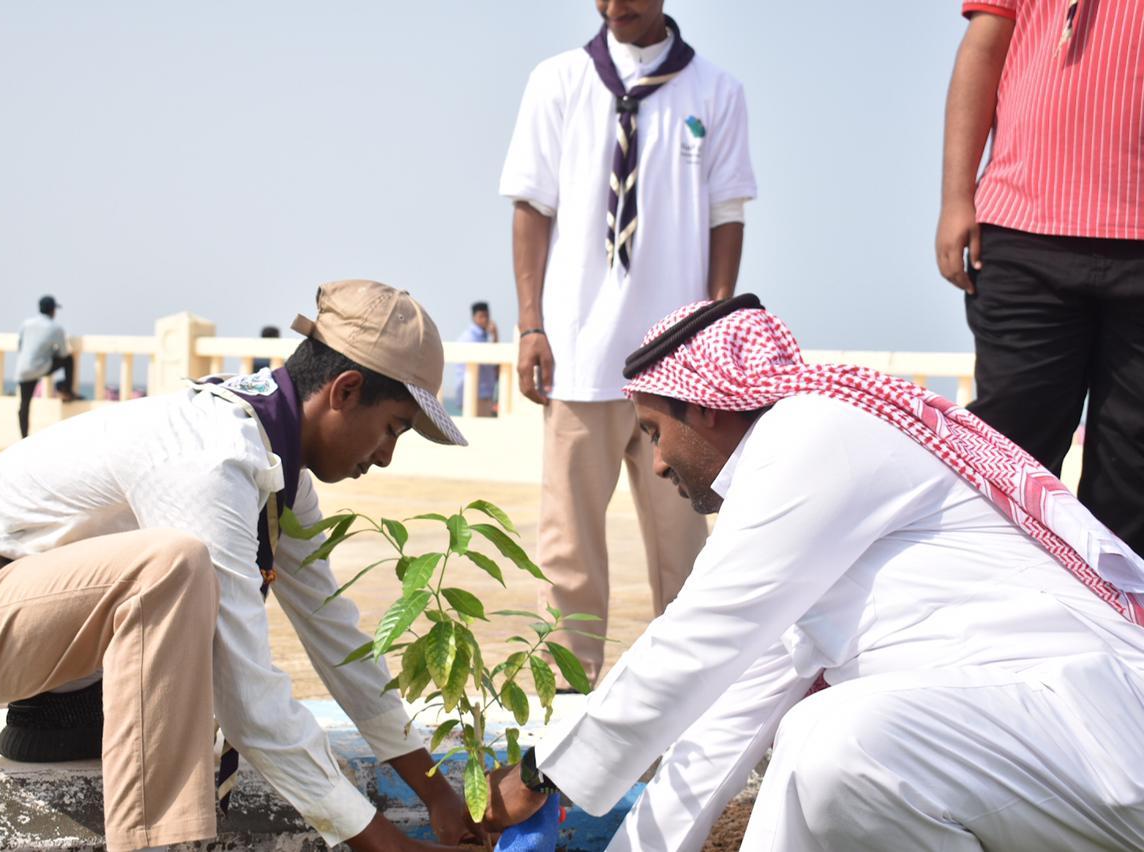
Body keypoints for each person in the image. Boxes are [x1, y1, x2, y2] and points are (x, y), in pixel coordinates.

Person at [484, 295, 1144, 851]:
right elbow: (722, 726)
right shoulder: (811, 503)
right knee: (812, 763)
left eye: (655, 432)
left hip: (1096, 733)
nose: (656, 464)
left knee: (832, 743)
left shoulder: (808, 438)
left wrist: (540, 773)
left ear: (708, 407)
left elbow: (688, 642)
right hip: (1037, 742)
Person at [0, 280, 484, 852]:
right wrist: (382, 841)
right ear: (346, 390)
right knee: (174, 569)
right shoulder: (213, 457)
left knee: (188, 608)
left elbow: (338, 636)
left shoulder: (277, 467)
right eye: (393, 429)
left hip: (39, 647)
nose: (385, 457)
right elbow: (247, 694)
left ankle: (60, 715)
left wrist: (437, 793)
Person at [498, 0, 756, 686]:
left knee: (685, 555)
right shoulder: (557, 82)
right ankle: (566, 705)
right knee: (568, 553)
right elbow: (532, 208)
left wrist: (713, 329)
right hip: (580, 357)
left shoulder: (715, 90)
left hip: (677, 371)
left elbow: (726, 215)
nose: (616, 7)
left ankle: (679, 700)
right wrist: (531, 324)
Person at [935, 2, 1144, 556]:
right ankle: (990, 622)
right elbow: (984, 50)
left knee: (1136, 466)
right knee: (1009, 451)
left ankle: (1119, 633)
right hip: (1025, 229)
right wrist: (957, 198)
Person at [15, 294, 80, 438]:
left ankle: (23, 437)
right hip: (41, 367)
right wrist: (51, 351)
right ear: (52, 311)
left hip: (23, 370)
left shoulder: (26, 323)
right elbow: (63, 353)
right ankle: (66, 390)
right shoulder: (56, 328)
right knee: (68, 360)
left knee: (24, 405)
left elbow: (20, 345)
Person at [454, 301, 499, 417]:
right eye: (481, 316)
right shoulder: (470, 338)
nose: (485, 320)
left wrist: (495, 336)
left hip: (482, 394)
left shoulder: (482, 336)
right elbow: (490, 360)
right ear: (474, 318)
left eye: (487, 316)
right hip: (474, 394)